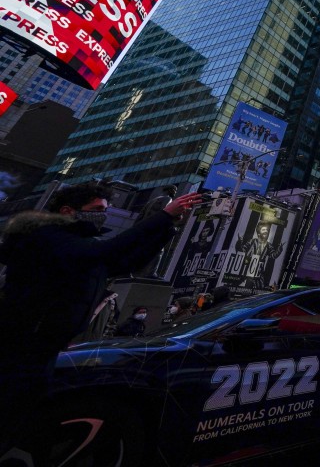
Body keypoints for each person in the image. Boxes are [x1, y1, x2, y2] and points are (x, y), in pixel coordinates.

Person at [0, 181, 202, 442]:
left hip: (45, 346)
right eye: (97, 208)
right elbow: (108, 251)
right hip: (20, 346)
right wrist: (162, 215)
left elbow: (127, 261)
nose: (103, 214)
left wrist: (168, 227)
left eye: (106, 209)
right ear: (67, 211)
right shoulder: (46, 237)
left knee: (23, 413)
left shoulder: (79, 244)